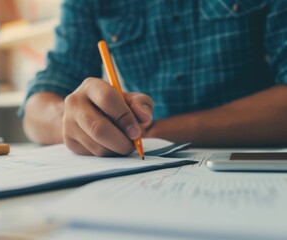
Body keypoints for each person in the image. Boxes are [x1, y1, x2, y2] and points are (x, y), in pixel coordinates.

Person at [19, 0, 287, 157]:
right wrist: (74, 122)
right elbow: (41, 100)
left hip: (257, 164)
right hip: (145, 170)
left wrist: (151, 132)